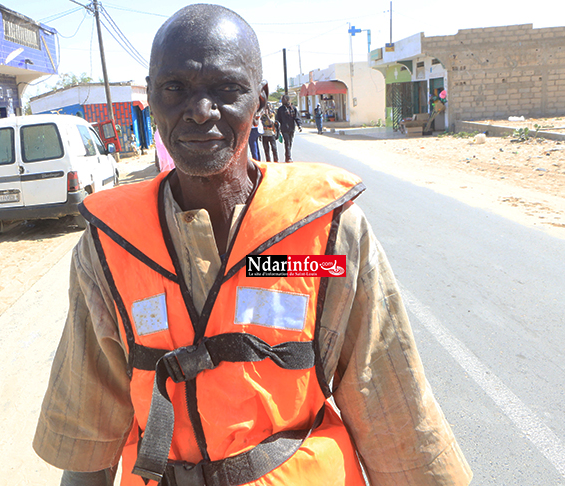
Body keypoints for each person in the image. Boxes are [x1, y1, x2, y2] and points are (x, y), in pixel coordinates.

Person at [34, 4, 472, 486]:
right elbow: (89, 420)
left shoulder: (328, 235)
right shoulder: (107, 244)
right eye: (175, 88)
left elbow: (389, 398)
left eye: (227, 89)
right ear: (152, 98)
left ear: (260, 100)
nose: (200, 112)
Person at [276, 94, 301, 162]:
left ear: (287, 100)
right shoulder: (280, 109)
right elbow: (277, 119)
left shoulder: (293, 108)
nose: (282, 100)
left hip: (291, 128)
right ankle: (288, 158)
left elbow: (297, 117)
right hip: (284, 129)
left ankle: (288, 156)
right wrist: (277, 128)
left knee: (290, 142)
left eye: (284, 99)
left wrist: (299, 126)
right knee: (287, 142)